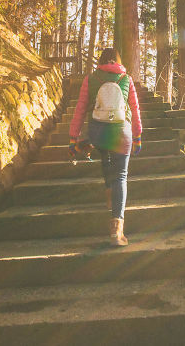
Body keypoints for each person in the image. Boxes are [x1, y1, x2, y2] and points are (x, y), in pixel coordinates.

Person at [69, 48, 142, 246]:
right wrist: (137, 136)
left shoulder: (90, 79)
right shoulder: (126, 79)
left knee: (105, 156)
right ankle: (116, 231)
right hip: (121, 130)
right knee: (121, 175)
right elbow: (135, 109)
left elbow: (80, 108)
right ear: (118, 61)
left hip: (97, 132)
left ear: (100, 61)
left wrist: (73, 138)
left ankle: (109, 192)